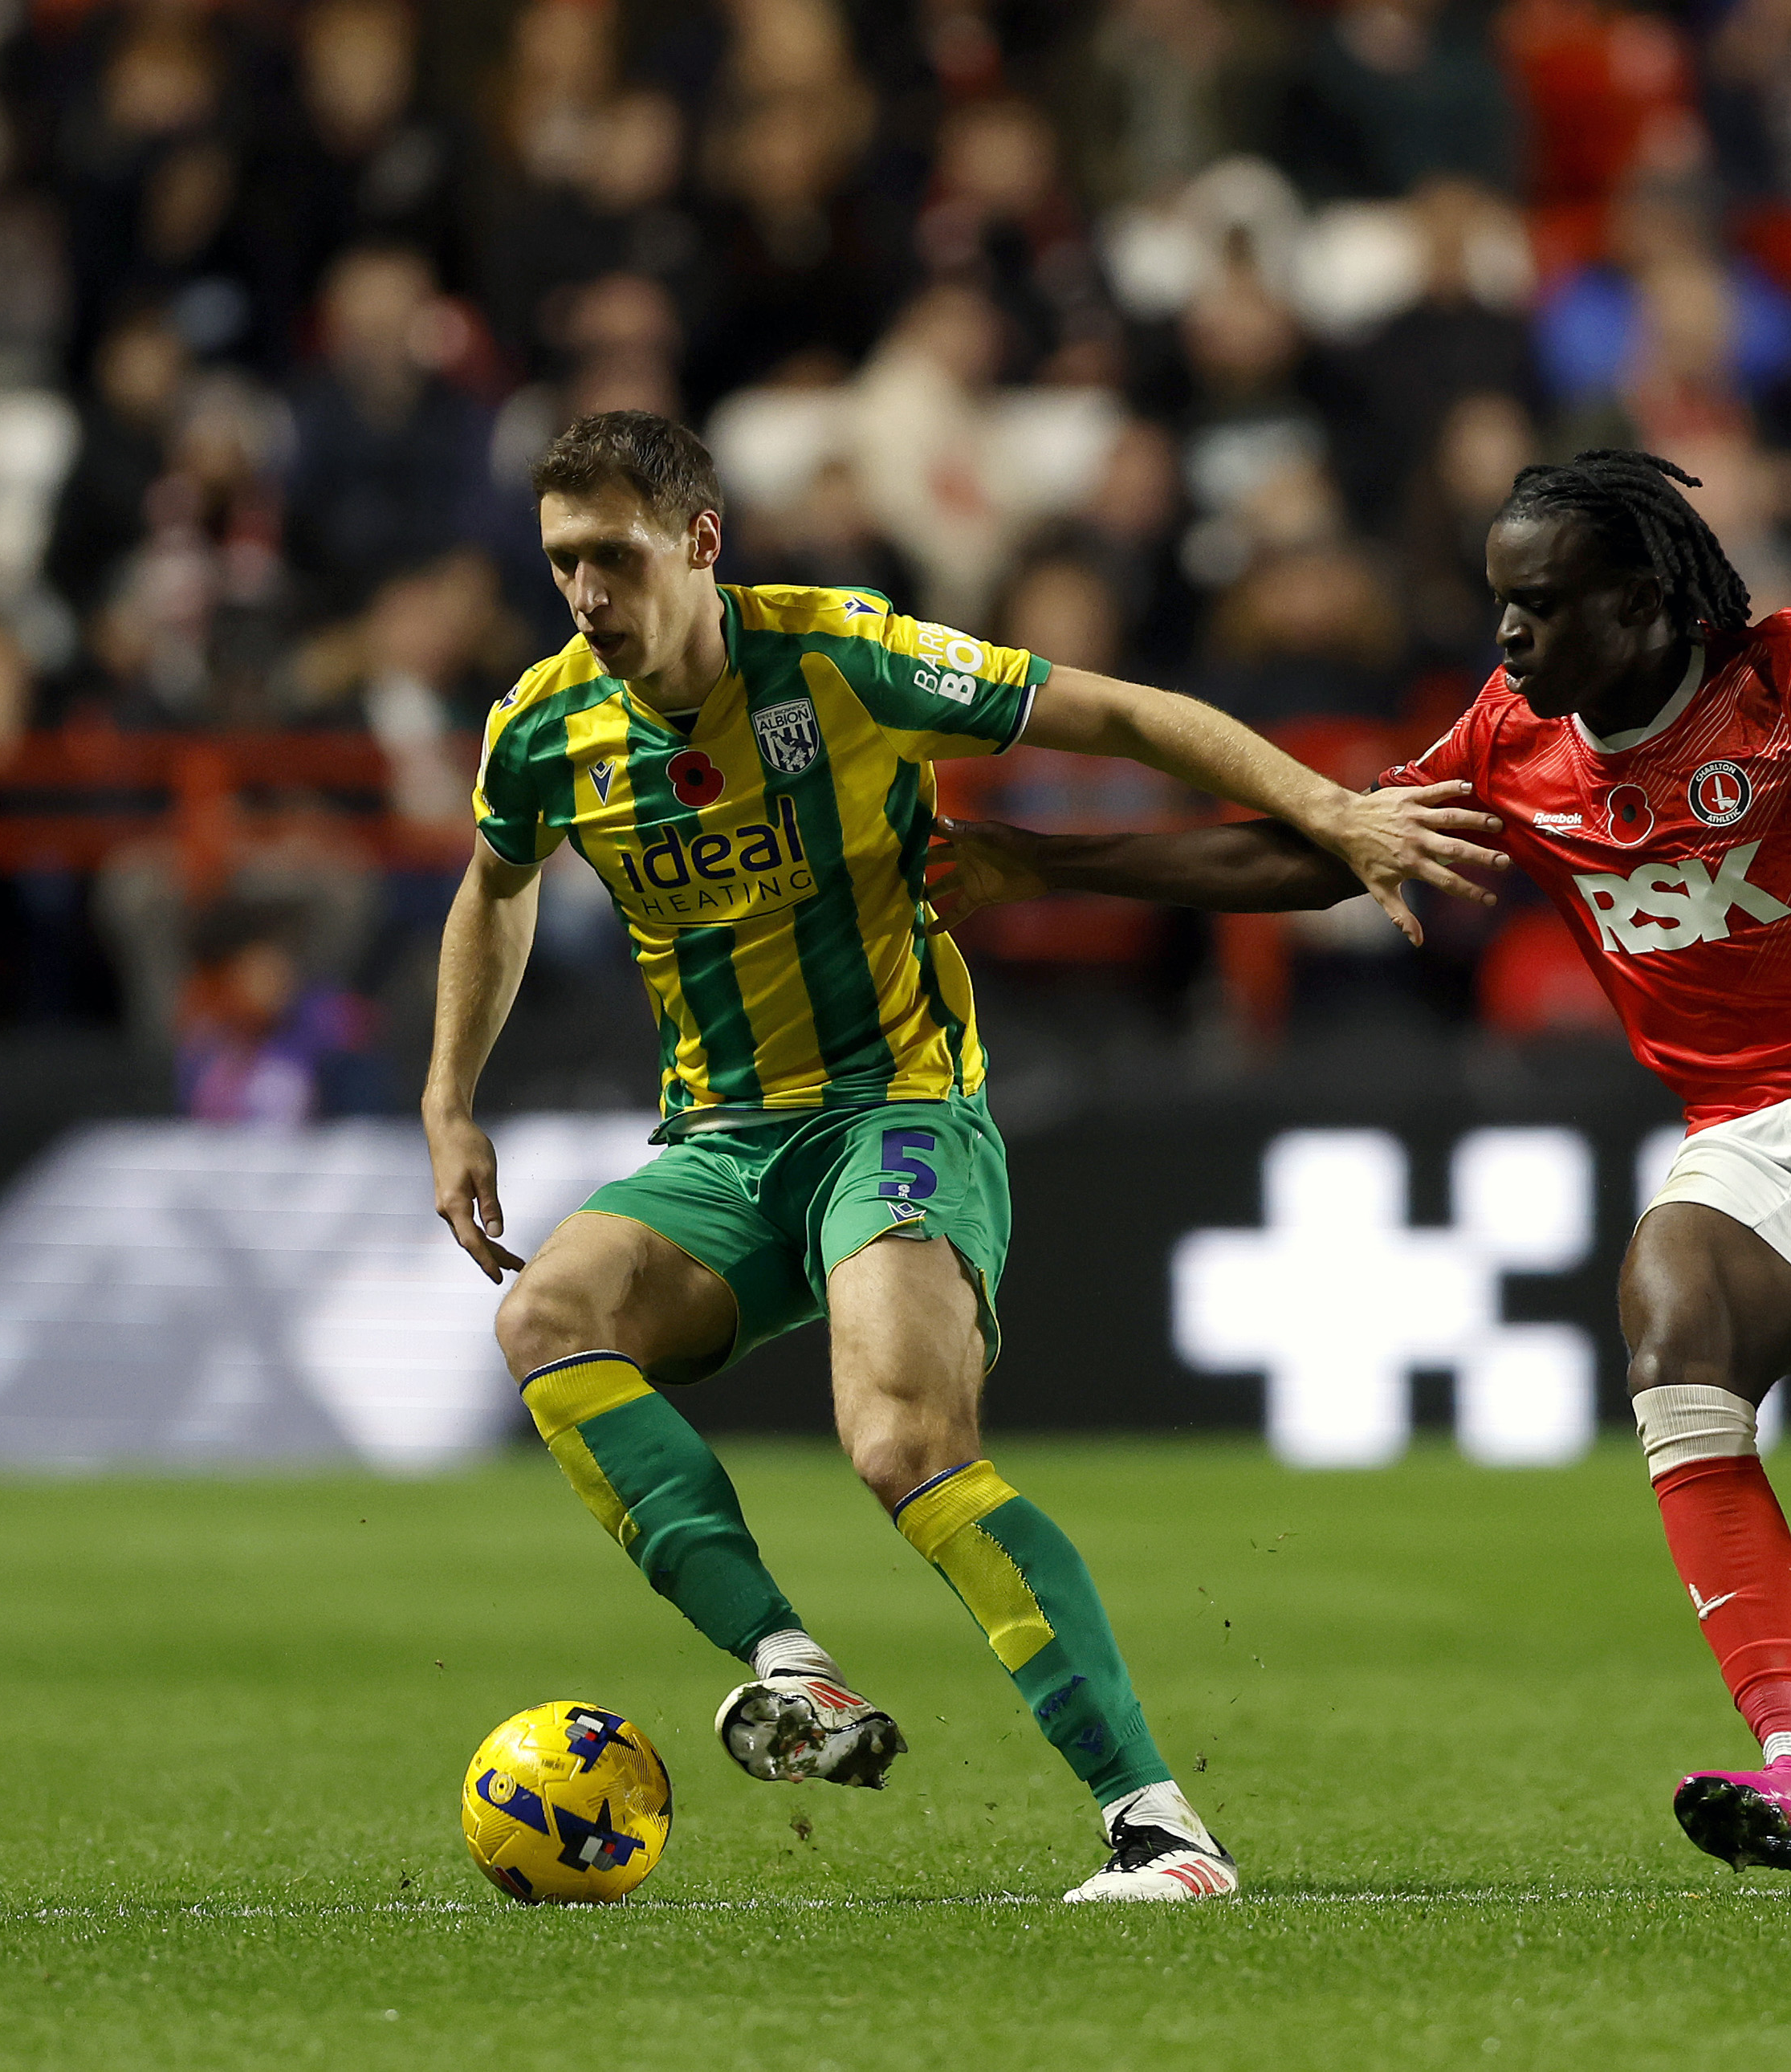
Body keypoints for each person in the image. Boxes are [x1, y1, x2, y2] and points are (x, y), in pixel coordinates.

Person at [928, 448, 1791, 1893]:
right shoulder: (1506, 736)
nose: (1507, 636)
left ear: (1649, 600)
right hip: (1747, 1124)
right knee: (1672, 1326)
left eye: (1539, 605)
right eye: (1499, 603)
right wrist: (1045, 863)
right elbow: (1323, 859)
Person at [421, 410, 1480, 1901]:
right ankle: (800, 1669)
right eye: (561, 562)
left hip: (897, 1110)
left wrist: (1325, 805)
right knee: (545, 1315)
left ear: (700, 545)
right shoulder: (543, 723)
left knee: (903, 1445)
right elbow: (495, 884)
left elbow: (1114, 712)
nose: (587, 593)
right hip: (719, 1146)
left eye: (614, 556)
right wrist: (450, 1095)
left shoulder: (845, 658)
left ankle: (1160, 1826)